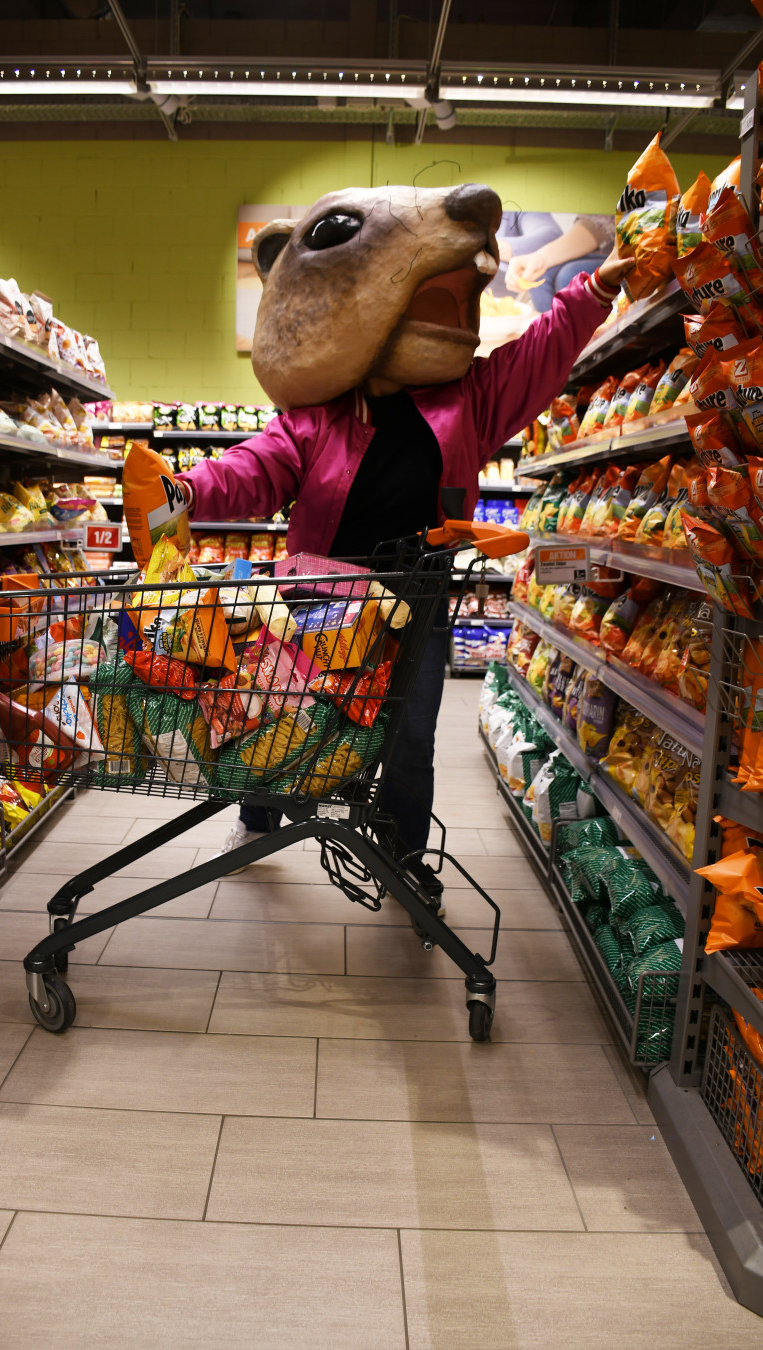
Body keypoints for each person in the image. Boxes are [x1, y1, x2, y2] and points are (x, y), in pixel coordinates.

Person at [176, 212, 631, 913]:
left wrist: (595, 289)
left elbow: (539, 354)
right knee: (280, 718)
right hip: (318, 602)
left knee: (411, 737)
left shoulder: (467, 400)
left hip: (416, 599)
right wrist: (185, 490)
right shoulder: (317, 415)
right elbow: (253, 467)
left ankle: (406, 857)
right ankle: (258, 820)